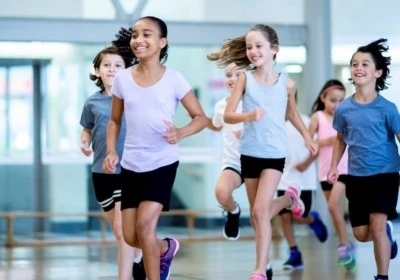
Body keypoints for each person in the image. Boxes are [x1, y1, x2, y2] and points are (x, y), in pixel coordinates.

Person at [207, 24, 318, 280]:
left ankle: (258, 270)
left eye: (258, 46)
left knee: (259, 211)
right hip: (249, 154)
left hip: (275, 155)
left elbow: (290, 113)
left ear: (273, 49)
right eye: (249, 47)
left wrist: (307, 137)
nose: (253, 51)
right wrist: (249, 115)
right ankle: (289, 202)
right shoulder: (244, 79)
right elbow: (229, 113)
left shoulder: (286, 83)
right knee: (261, 214)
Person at [103, 17, 208, 280]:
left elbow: (201, 118)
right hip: (131, 164)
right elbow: (115, 120)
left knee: (144, 226)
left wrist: (181, 132)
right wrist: (111, 151)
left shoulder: (174, 79)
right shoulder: (123, 79)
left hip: (162, 161)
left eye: (147, 35)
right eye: (135, 34)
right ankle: (165, 248)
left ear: (162, 42)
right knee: (130, 235)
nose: (139, 40)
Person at [327, 38, 400, 280]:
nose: (358, 68)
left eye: (365, 64)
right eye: (354, 64)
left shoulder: (388, 108)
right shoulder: (344, 109)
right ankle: (387, 235)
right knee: (361, 233)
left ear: (377, 72)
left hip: (386, 174)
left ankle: (382, 276)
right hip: (357, 176)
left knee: (377, 226)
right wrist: (333, 167)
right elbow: (340, 140)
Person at [80, 45, 145, 280]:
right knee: (121, 233)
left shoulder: (133, 99)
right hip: (101, 173)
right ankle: (139, 259)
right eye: (106, 65)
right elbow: (86, 129)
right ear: (97, 71)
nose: (111, 69)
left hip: (128, 171)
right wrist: (84, 142)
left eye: (118, 65)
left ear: (126, 70)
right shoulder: (91, 103)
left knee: (121, 230)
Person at [207, 62, 273, 279]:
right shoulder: (221, 106)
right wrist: (195, 120)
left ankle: (265, 264)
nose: (232, 79)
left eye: (238, 75)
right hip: (234, 164)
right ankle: (233, 212)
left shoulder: (257, 103)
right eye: (228, 75)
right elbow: (216, 125)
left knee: (259, 216)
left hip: (257, 163)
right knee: (221, 192)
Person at [298, 79, 356, 270]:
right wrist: (325, 143)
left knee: (333, 205)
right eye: (333, 100)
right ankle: (348, 244)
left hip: (345, 169)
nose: (336, 105)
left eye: (340, 100)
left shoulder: (346, 116)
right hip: (325, 172)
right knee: (335, 210)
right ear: (323, 98)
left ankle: (343, 245)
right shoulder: (317, 118)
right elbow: (308, 143)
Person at [276, 92, 328, 271]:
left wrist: (306, 164)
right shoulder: (275, 123)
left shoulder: (305, 121)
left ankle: (312, 220)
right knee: (284, 216)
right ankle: (294, 253)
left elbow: (318, 145)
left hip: (303, 180)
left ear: (295, 101)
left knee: (298, 216)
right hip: (281, 178)